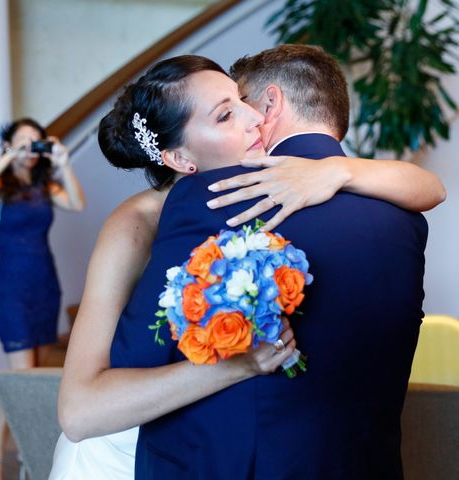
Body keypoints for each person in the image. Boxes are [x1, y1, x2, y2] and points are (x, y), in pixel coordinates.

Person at [52, 54, 444, 479]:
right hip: (127, 441)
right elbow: (84, 406)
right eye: (226, 113)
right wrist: (237, 364)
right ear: (180, 158)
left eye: (243, 101)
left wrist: (338, 170)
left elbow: (432, 188)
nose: (255, 118)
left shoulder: (301, 188)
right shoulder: (146, 218)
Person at [0, 117, 85, 480]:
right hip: (11, 287)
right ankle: (0, 457)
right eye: (24, 142)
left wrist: (63, 164)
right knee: (22, 375)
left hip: (44, 284)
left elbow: (77, 204)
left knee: (29, 377)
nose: (30, 150)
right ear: (8, 145)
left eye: (36, 143)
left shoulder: (46, 186)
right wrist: (9, 158)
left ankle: (17, 454)